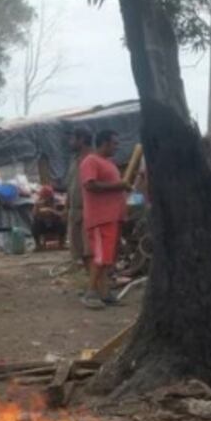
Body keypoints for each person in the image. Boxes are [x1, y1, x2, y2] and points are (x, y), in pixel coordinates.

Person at [80, 129, 130, 309]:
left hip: (112, 218)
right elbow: (90, 185)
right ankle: (90, 293)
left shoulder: (108, 163)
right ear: (104, 143)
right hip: (100, 218)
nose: (116, 147)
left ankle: (105, 292)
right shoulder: (91, 161)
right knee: (100, 258)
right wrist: (118, 185)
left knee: (108, 258)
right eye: (114, 143)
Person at [66, 128, 94, 267]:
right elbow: (70, 185)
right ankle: (91, 282)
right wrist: (66, 208)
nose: (69, 142)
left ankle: (97, 284)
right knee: (79, 251)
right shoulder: (75, 161)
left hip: (89, 211)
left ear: (81, 139)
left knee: (90, 251)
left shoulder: (94, 159)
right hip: (74, 211)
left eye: (72, 139)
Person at [31, 185, 67, 250]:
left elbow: (63, 214)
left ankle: (62, 243)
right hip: (43, 224)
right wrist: (37, 208)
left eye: (46, 197)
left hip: (55, 223)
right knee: (34, 223)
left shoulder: (58, 201)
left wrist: (52, 211)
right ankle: (38, 245)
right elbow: (34, 215)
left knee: (63, 222)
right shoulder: (38, 202)